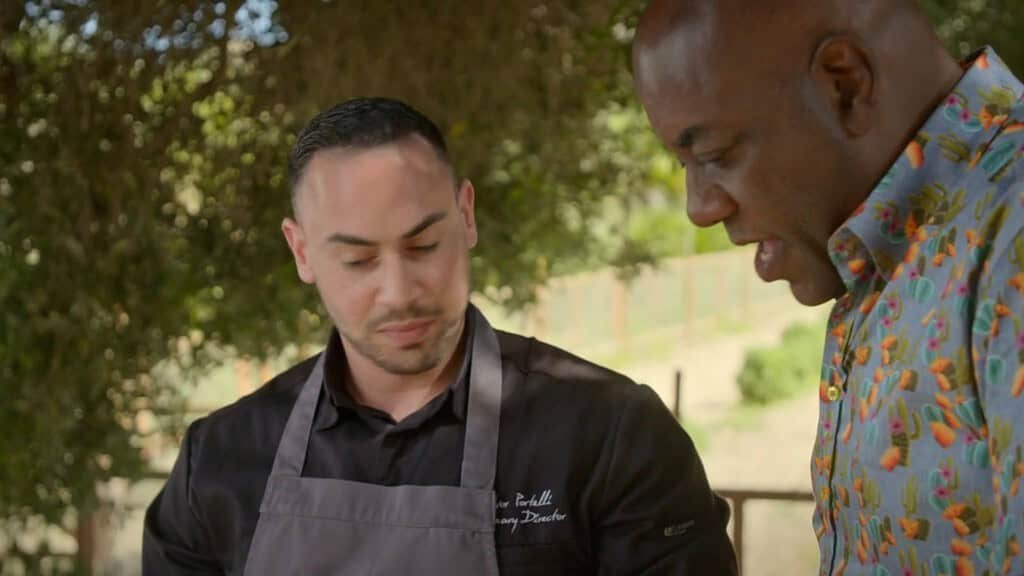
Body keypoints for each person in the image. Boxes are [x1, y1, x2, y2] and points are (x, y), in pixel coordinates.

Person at [142, 96, 736, 575]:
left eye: (423, 245)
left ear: (467, 216)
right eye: (357, 260)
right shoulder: (217, 463)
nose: (400, 291)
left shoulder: (611, 434)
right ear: (301, 252)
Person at [633, 0, 1024, 574]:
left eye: (714, 156)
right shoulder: (887, 248)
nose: (700, 208)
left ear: (845, 84)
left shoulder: (1010, 232)